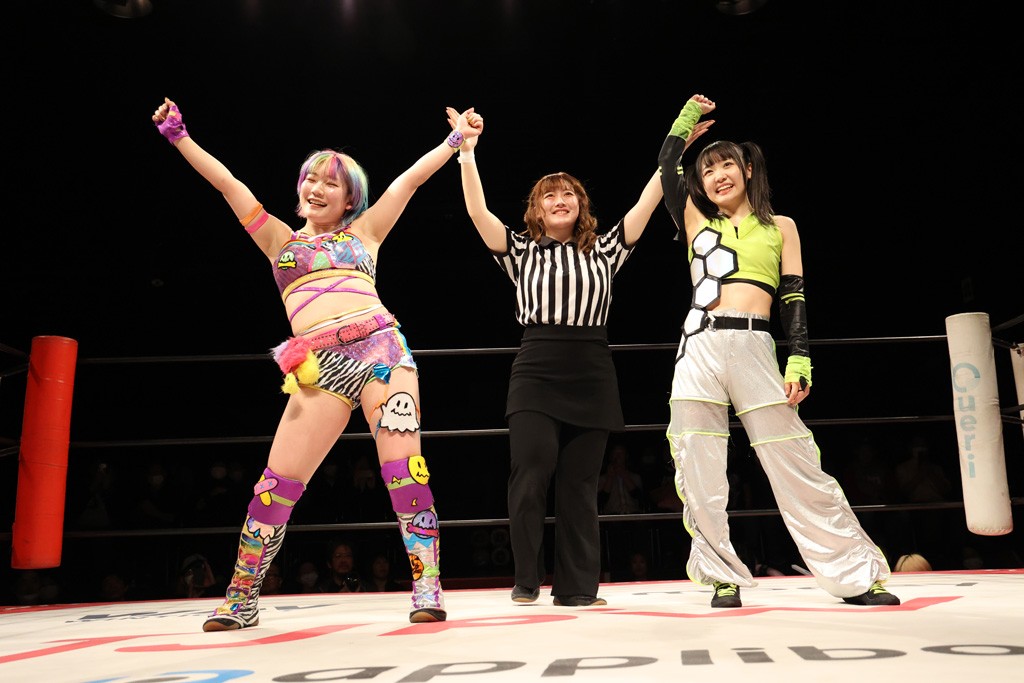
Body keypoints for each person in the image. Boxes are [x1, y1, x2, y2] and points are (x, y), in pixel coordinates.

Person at [151, 97, 480, 629]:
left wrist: (454, 142)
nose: (318, 188)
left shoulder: (365, 233)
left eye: (332, 183)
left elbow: (409, 182)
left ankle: (427, 586)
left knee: (405, 472)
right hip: (318, 366)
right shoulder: (278, 240)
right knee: (275, 486)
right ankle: (241, 597)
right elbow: (229, 185)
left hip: (382, 354)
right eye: (311, 178)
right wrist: (179, 137)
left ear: (350, 199)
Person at [447, 95, 716, 607]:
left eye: (569, 193)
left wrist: (677, 144)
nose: (561, 199)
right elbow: (477, 211)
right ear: (537, 209)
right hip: (537, 367)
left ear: (581, 204)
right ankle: (526, 578)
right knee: (531, 471)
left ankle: (575, 589)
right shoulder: (521, 250)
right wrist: (466, 151)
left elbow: (648, 200)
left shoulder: (607, 249)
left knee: (579, 485)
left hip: (591, 368)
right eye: (550, 195)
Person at [656, 105, 901, 608]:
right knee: (698, 465)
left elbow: (794, 297)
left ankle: (854, 575)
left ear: (748, 169)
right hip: (698, 344)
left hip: (755, 345)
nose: (717, 176)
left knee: (795, 460)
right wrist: (684, 125)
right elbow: (665, 166)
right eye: (707, 169)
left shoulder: (781, 226)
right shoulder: (695, 218)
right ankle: (722, 577)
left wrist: (800, 359)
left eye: (726, 164)